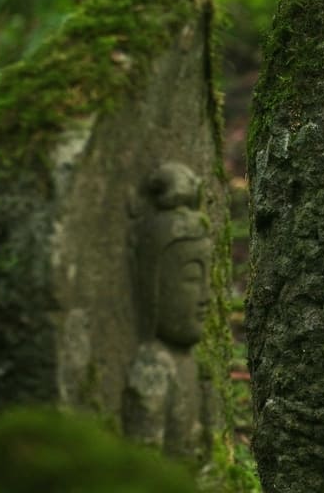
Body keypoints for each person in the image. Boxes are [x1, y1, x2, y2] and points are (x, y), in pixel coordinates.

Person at [123, 162, 211, 458]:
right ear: (154, 286)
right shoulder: (154, 371)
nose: (205, 296)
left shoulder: (193, 366)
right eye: (192, 278)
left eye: (207, 278)